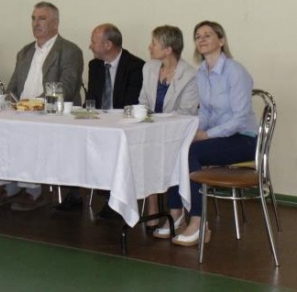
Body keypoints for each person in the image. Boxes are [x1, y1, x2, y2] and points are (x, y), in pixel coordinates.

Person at [166, 21, 258, 247]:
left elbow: (239, 118)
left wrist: (207, 135)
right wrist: (195, 131)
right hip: (218, 137)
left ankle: (198, 221)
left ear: (221, 40)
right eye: (198, 36)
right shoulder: (201, 72)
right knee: (177, 144)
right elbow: (206, 112)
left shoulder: (235, 71)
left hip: (243, 138)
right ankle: (175, 213)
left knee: (192, 152)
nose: (202, 39)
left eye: (207, 35)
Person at [0, 2, 84, 211]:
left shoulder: (69, 51)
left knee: (30, 131)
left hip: (53, 114)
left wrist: (33, 105)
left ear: (55, 23)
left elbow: (66, 88)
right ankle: (9, 188)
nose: (36, 23)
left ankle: (34, 192)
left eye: (42, 19)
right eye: (33, 18)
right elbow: (12, 86)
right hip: (22, 111)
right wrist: (9, 102)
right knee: (1, 128)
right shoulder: (25, 51)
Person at [139, 25, 199, 231]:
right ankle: (152, 205)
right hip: (152, 129)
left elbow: (186, 112)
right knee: (141, 146)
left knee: (169, 151)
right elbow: (143, 101)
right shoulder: (149, 68)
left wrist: (157, 121)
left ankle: (176, 210)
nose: (149, 47)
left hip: (176, 133)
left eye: (154, 43)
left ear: (168, 49)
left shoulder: (190, 75)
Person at [84, 23, 144, 111]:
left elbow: (131, 104)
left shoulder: (135, 67)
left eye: (94, 42)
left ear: (108, 45)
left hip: (122, 117)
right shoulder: (94, 65)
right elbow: (91, 101)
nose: (90, 46)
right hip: (97, 118)